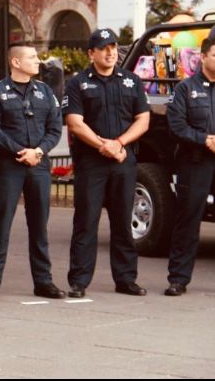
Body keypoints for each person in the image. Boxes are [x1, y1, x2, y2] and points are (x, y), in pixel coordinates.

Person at [63, 28, 150, 298]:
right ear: (91, 53)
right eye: (104, 48)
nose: (110, 52)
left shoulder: (131, 81)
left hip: (123, 161)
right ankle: (79, 281)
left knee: (123, 221)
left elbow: (143, 119)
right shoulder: (78, 83)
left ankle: (126, 279)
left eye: (113, 47)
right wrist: (104, 146)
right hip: (92, 163)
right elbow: (75, 123)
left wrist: (119, 143)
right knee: (86, 222)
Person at [0, 45, 65, 303]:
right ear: (15, 62)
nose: (38, 61)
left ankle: (44, 281)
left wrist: (38, 151)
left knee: (39, 226)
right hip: (9, 166)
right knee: (1, 224)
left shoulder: (45, 91)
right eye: (32, 57)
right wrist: (20, 151)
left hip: (38, 165)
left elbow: (55, 127)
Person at [164, 38, 215, 296]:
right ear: (203, 56)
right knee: (188, 219)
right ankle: (178, 279)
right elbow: (176, 126)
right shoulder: (185, 88)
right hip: (195, 161)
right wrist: (204, 139)